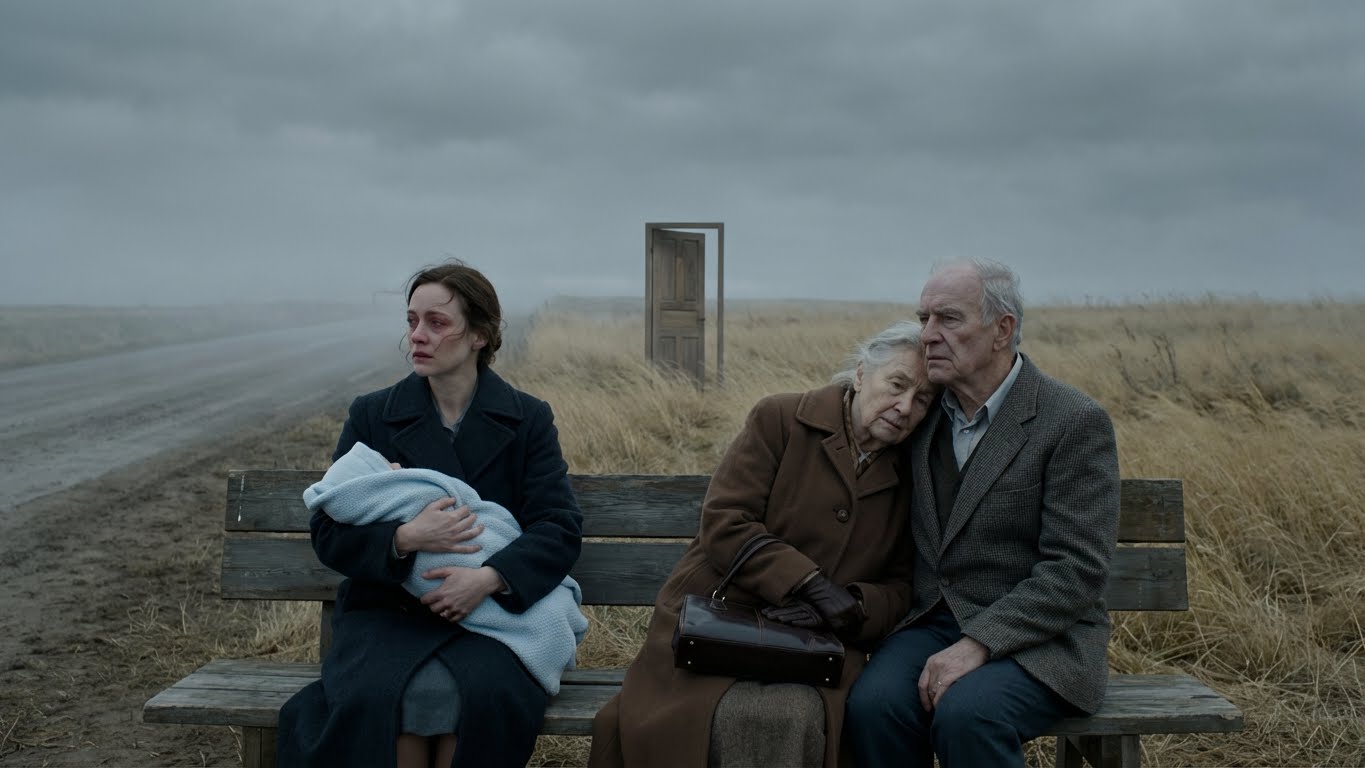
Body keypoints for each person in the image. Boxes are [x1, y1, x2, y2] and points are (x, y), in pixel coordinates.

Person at [589, 320, 940, 768]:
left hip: (821, 643)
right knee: (711, 718)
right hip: (715, 625)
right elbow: (725, 522)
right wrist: (811, 586)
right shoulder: (781, 419)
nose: (905, 405)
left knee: (795, 714)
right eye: (897, 383)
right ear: (859, 373)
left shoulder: (914, 474)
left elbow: (900, 585)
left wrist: (849, 605)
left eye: (923, 399)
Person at [276, 261, 583, 768]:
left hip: (494, 618)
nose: (418, 335)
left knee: (478, 696)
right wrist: (404, 538)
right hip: (387, 613)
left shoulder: (528, 419)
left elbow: (559, 525)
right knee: (383, 698)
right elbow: (328, 529)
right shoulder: (373, 415)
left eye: (437, 322)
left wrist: (487, 579)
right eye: (412, 320)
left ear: (480, 335)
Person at [845, 258, 1121, 768]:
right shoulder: (920, 413)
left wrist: (981, 643)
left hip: (1043, 639)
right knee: (873, 706)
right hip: (931, 622)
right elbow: (847, 417)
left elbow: (1076, 569)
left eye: (947, 319)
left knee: (969, 714)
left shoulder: (1072, 422)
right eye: (923, 317)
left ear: (1002, 330)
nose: (927, 335)